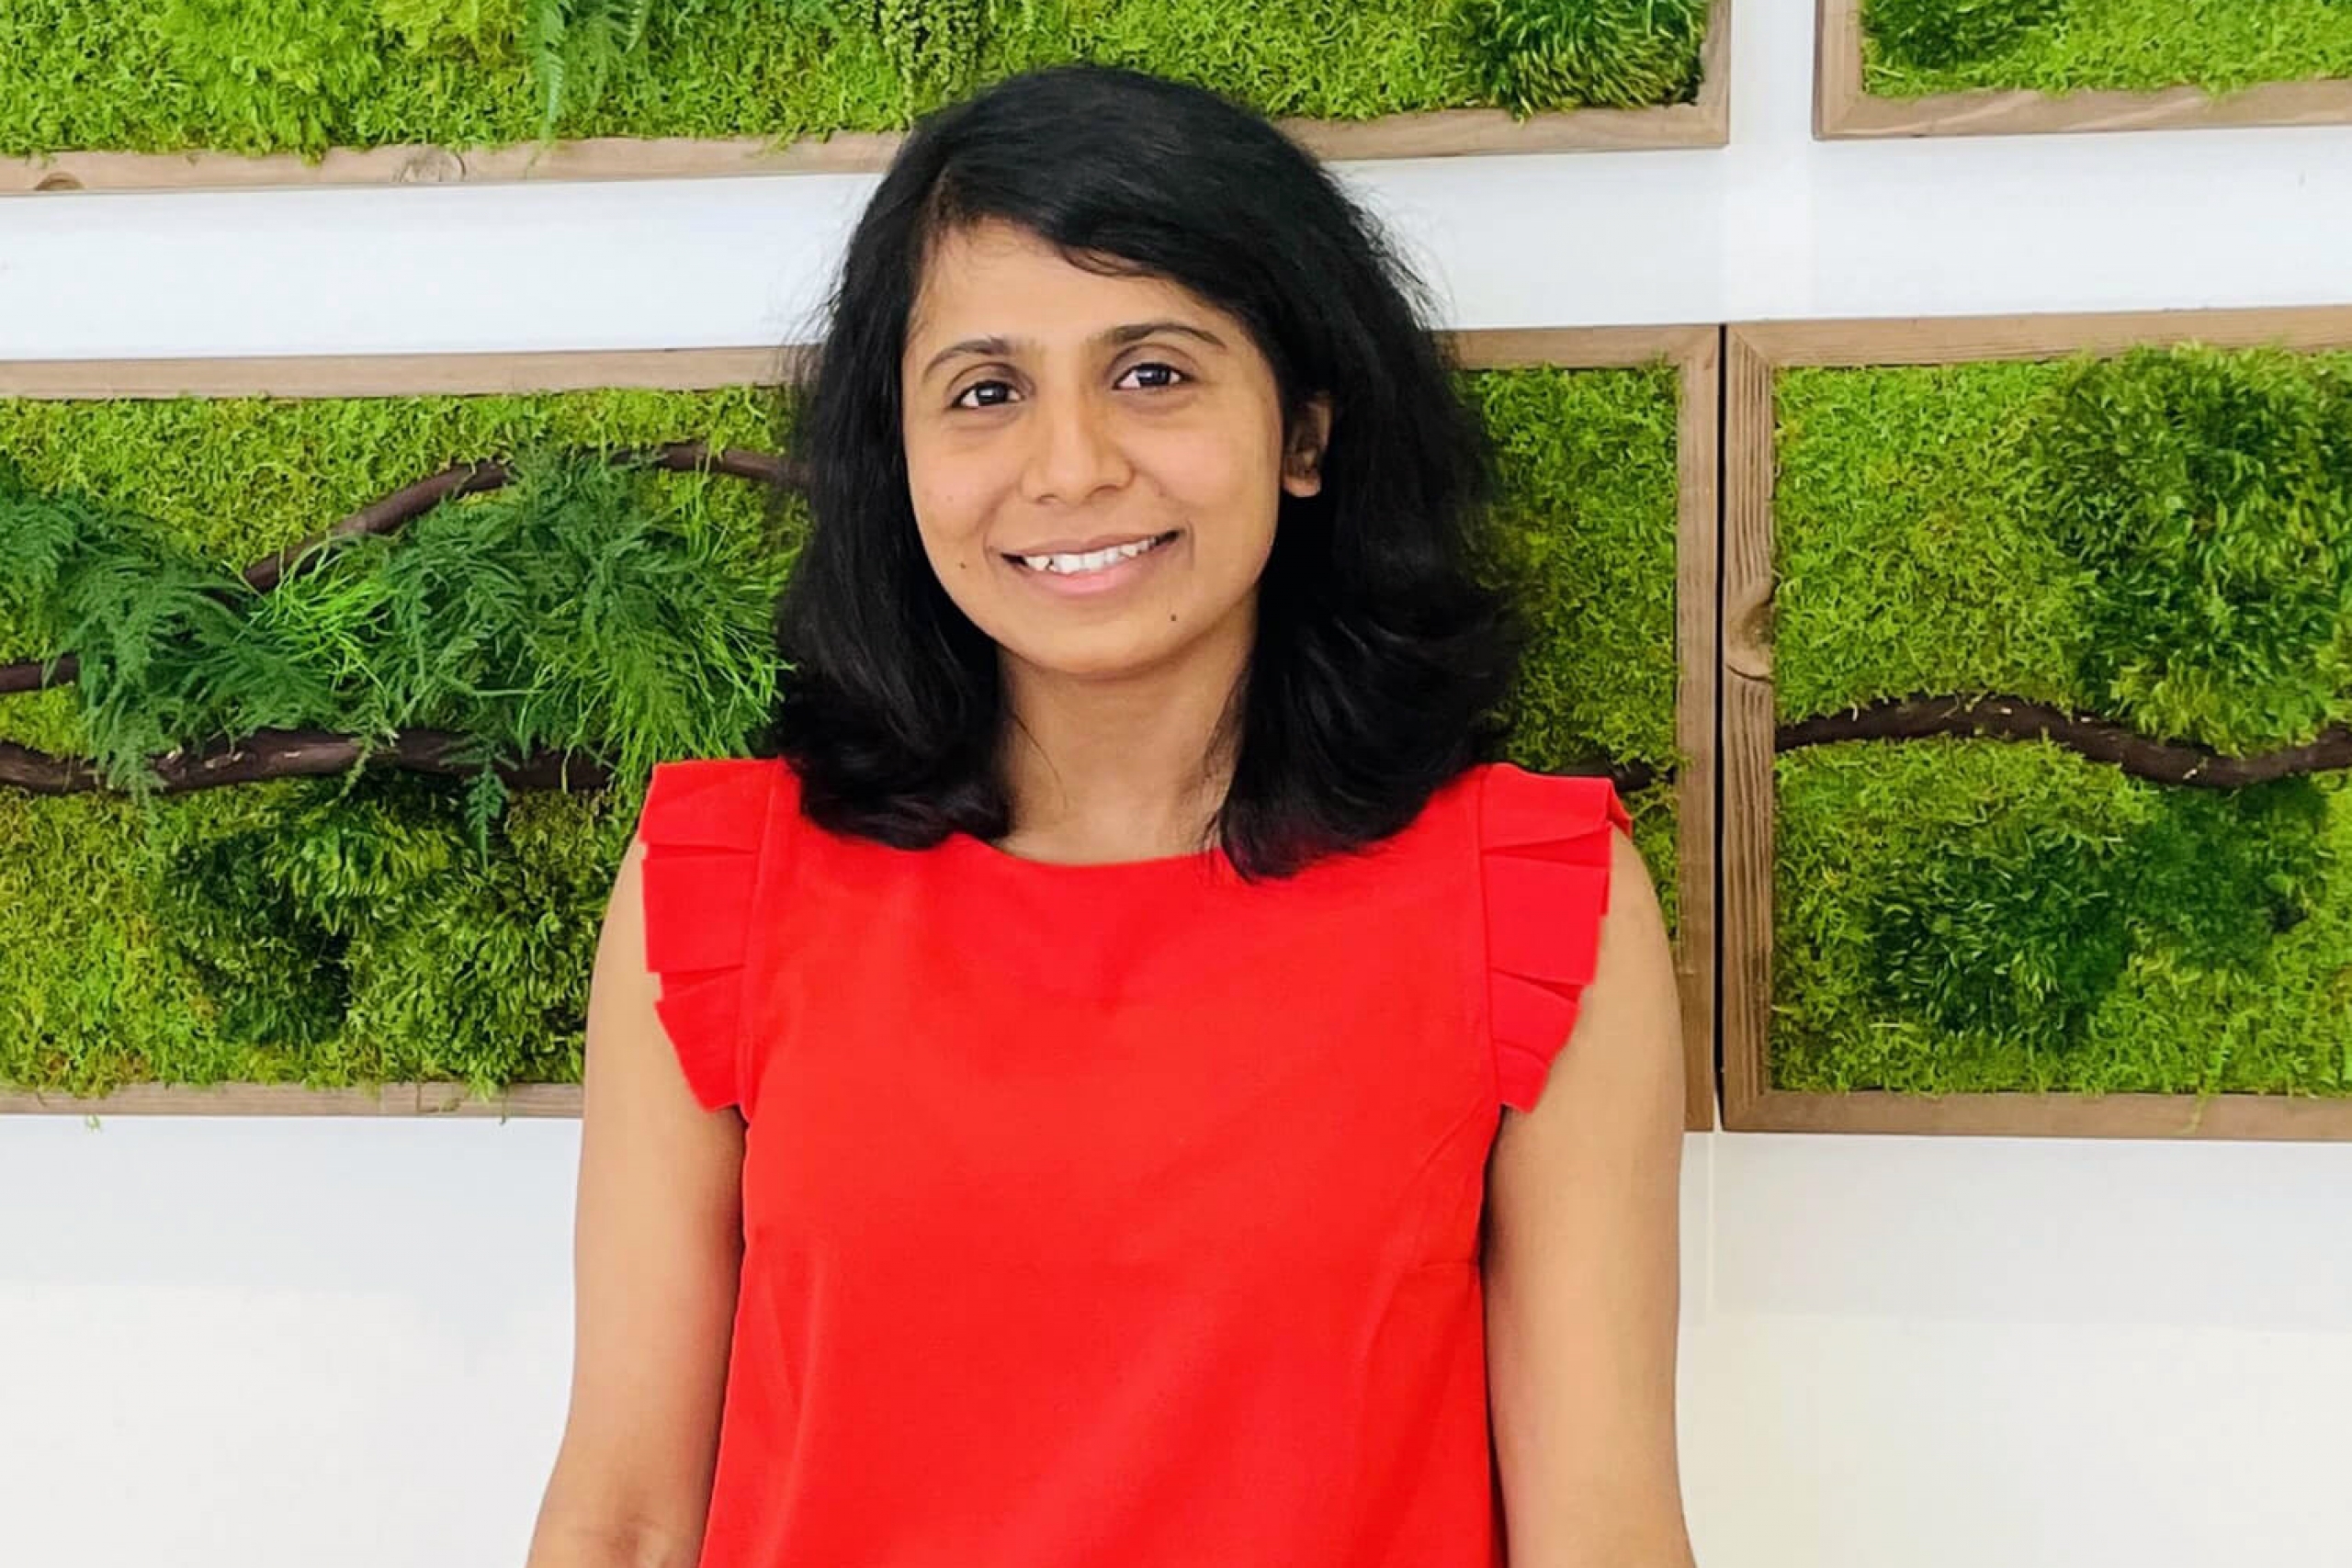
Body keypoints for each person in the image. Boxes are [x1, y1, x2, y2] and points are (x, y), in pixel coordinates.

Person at [526, 62, 1692, 1568]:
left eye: (1154, 371)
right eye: (987, 391)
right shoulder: (716, 886)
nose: (1071, 466)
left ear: (1304, 433)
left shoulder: (1532, 895)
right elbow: (620, 1517)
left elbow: (1600, 1527)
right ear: (899, 454)